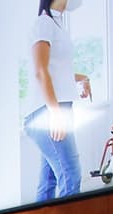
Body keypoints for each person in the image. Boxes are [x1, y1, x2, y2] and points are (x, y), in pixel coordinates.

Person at [26, 0, 92, 202]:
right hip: (47, 111)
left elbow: (58, 70)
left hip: (54, 109)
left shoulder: (57, 24)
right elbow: (40, 71)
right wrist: (55, 115)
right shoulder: (44, 23)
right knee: (70, 174)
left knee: (49, 181)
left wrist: (83, 78)